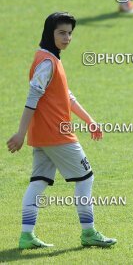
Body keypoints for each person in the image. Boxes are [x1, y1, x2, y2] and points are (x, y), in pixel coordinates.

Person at [6, 12, 117, 249]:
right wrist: (20, 133)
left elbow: (65, 95)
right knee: (86, 177)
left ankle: (26, 236)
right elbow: (32, 98)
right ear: (49, 33)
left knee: (39, 181)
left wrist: (89, 120)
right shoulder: (47, 63)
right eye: (61, 33)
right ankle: (88, 232)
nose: (67, 38)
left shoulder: (49, 58)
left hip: (43, 136)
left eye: (70, 33)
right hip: (58, 135)